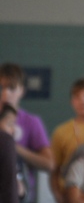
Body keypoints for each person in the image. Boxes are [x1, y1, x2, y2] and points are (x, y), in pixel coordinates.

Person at [0, 63, 53, 202]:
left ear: (21, 91)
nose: (5, 94)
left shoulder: (31, 122)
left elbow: (49, 163)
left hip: (20, 193)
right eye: (1, 88)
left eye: (11, 88)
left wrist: (11, 147)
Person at [50, 77, 84, 203]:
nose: (82, 101)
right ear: (71, 102)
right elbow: (54, 170)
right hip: (70, 195)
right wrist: (58, 196)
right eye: (77, 97)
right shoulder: (61, 132)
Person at [0, 103, 26, 203]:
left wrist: (21, 191)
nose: (14, 129)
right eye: (9, 124)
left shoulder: (15, 154)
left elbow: (21, 190)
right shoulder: (6, 141)